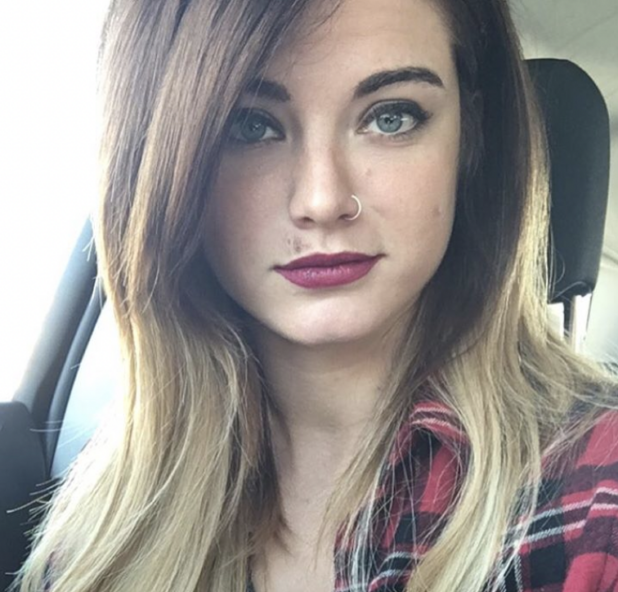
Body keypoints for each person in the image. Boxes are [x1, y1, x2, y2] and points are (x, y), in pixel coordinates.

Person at [14, 0, 618, 590]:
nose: (322, 200)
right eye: (250, 125)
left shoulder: (594, 495)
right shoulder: (104, 526)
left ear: (471, 138)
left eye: (392, 117)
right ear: (162, 163)